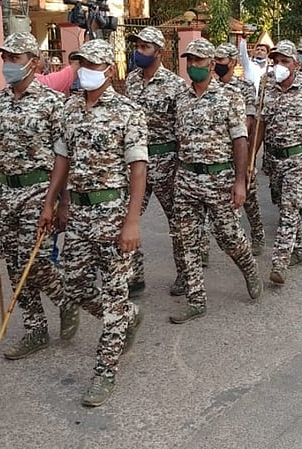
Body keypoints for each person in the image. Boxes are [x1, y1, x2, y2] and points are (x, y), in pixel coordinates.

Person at [39, 39, 146, 407]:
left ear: (109, 70)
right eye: (81, 63)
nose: (84, 69)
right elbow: (61, 161)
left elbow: (138, 169)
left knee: (114, 294)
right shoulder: (69, 110)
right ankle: (128, 317)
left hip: (114, 215)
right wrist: (51, 202)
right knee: (75, 286)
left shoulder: (128, 113)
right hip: (79, 215)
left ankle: (105, 370)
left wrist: (132, 221)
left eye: (93, 64)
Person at [0, 32, 79, 361]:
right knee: (13, 264)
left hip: (40, 191)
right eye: (5, 58)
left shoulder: (53, 103)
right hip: (8, 192)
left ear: (33, 62)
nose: (8, 64)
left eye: (15, 58)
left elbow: (63, 157)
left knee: (34, 261)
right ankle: (35, 327)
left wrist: (61, 202)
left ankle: (66, 297)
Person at [170, 38, 262, 324]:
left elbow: (240, 142)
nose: (193, 66)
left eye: (198, 61)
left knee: (228, 236)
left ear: (211, 65)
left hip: (219, 178)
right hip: (186, 178)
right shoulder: (181, 98)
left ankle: (248, 267)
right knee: (186, 239)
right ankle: (196, 298)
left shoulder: (229, 97)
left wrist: (239, 181)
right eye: (189, 60)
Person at [249, 40, 302, 285]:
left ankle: (280, 262)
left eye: (284, 61)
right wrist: (252, 157)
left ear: (295, 65)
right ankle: (300, 248)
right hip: (273, 158)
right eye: (276, 61)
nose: (279, 66)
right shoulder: (266, 88)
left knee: (290, 208)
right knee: (284, 205)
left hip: (297, 158)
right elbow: (260, 126)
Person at [123, 26, 187, 297]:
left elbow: (183, 128)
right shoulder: (131, 81)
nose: (139, 52)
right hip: (138, 162)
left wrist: (180, 166)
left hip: (167, 160)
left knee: (179, 221)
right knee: (129, 216)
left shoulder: (175, 85)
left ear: (159, 52)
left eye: (145, 47)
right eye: (137, 47)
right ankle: (134, 275)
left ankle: (186, 273)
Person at [214, 42, 265, 256]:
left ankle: (257, 233)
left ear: (233, 62)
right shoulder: (212, 87)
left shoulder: (244, 88)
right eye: (214, 60)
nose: (217, 64)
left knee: (249, 197)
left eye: (221, 61)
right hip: (217, 153)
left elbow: (250, 122)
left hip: (239, 149)